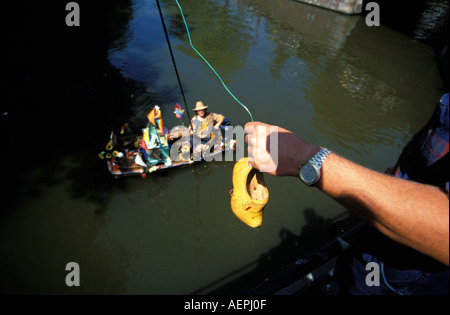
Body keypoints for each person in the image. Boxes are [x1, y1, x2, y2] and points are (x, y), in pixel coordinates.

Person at [245, 93, 449, 294]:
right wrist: (396, 178)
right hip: (376, 231)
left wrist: (306, 159)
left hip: (404, 271)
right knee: (349, 273)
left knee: (363, 285)